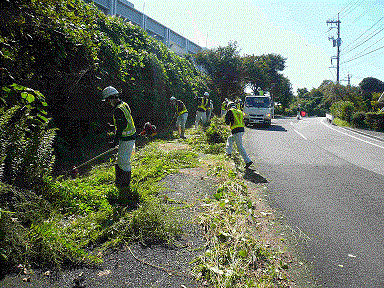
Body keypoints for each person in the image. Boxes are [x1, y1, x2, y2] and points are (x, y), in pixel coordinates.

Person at [102, 86, 137, 205]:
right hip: (129, 135)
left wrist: (114, 141)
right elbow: (125, 121)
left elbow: (121, 127)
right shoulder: (124, 104)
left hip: (127, 138)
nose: (107, 103)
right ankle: (119, 182)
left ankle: (125, 187)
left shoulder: (117, 109)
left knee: (124, 161)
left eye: (107, 100)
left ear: (111, 98)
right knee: (119, 160)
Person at [225, 101, 253, 170]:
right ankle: (228, 153)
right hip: (241, 129)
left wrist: (226, 117)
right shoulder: (240, 111)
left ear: (229, 107)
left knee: (240, 147)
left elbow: (227, 123)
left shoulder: (230, 111)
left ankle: (248, 161)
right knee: (230, 139)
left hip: (236, 130)